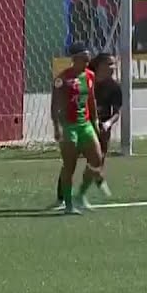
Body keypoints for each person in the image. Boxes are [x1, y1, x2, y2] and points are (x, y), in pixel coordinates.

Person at [50, 44, 105, 214]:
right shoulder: (62, 79)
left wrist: (95, 121)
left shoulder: (89, 76)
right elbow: (55, 106)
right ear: (75, 58)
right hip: (69, 127)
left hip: (85, 125)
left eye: (89, 57)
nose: (88, 60)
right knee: (69, 166)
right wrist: (57, 127)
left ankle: (80, 195)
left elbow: (91, 100)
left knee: (96, 159)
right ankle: (68, 204)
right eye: (85, 57)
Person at [90, 53, 122, 197]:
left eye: (114, 64)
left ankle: (96, 181)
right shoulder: (87, 81)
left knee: (99, 158)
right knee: (70, 160)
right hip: (84, 123)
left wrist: (108, 123)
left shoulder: (114, 87)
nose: (113, 67)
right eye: (109, 64)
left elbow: (116, 112)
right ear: (100, 65)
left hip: (102, 126)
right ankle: (63, 196)